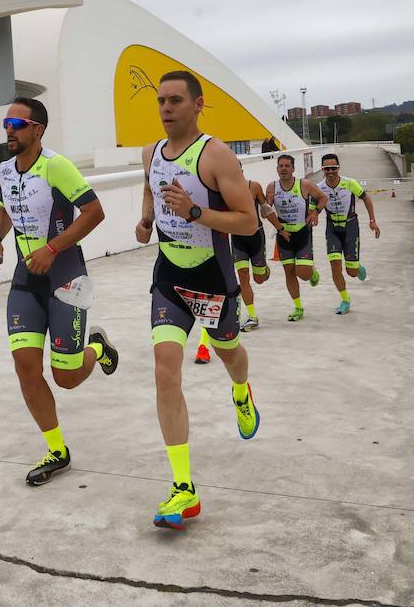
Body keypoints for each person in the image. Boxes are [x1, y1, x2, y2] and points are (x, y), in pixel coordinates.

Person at [136, 70, 260, 530]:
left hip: (211, 276)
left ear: (197, 104)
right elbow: (150, 188)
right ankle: (183, 487)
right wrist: (147, 219)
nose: (166, 108)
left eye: (175, 100)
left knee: (229, 353)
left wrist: (194, 211)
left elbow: (247, 222)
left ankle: (242, 393)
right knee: (165, 371)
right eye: (161, 101)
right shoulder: (149, 152)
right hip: (169, 275)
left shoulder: (217, 156)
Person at [0, 96, 118, 487]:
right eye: (6, 123)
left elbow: (95, 212)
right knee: (26, 367)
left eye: (17, 123)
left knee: (66, 377)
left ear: (38, 130)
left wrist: (52, 248)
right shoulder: (4, 171)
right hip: (26, 279)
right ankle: (56, 450)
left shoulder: (57, 167)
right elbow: (5, 205)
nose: (9, 130)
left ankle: (98, 349)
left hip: (66, 275)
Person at [197, 165, 271, 361]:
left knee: (260, 278)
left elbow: (265, 208)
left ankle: (264, 270)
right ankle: (252, 316)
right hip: (237, 240)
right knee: (243, 277)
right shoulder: (222, 192)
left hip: (256, 236)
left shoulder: (253, 186)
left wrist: (279, 228)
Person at [265, 154, 328, 321]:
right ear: (277, 169)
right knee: (289, 273)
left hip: (302, 233)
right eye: (281, 166)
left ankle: (311, 272)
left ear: (293, 168)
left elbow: (323, 198)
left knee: (304, 273)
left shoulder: (304, 185)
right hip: (283, 235)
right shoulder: (271, 187)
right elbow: (265, 214)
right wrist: (268, 203)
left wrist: (315, 212)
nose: (284, 169)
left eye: (287, 166)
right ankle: (298, 307)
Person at [317, 153, 381, 315]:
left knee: (351, 272)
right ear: (322, 169)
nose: (330, 171)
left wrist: (372, 220)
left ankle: (357, 267)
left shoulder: (350, 183)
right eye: (327, 168)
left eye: (334, 168)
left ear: (338, 168)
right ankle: (345, 300)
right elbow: (312, 207)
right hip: (332, 229)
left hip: (351, 227)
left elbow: (366, 198)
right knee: (335, 265)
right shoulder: (319, 187)